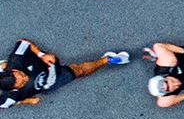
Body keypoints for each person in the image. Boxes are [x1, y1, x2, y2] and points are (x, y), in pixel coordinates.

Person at [0, 41, 128, 108]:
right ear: (14, 89)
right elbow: (6, 105)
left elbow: (23, 42)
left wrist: (41, 54)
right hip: (51, 82)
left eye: (20, 74)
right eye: (22, 82)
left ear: (14, 71)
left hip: (48, 64)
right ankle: (107, 60)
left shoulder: (16, 60)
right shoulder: (10, 97)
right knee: (79, 71)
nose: (24, 77)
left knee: (78, 70)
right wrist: (27, 101)